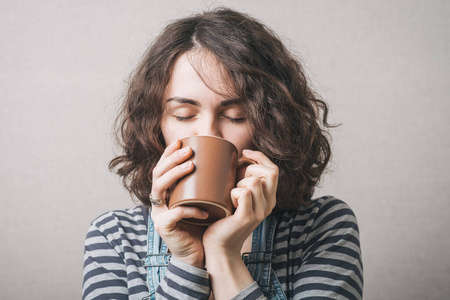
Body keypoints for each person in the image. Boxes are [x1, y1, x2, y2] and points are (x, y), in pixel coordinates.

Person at [82, 7, 363, 300]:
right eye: (184, 115)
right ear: (156, 126)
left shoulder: (322, 227)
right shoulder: (114, 236)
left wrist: (223, 253)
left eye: (236, 116)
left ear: (270, 123)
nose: (209, 134)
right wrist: (187, 261)